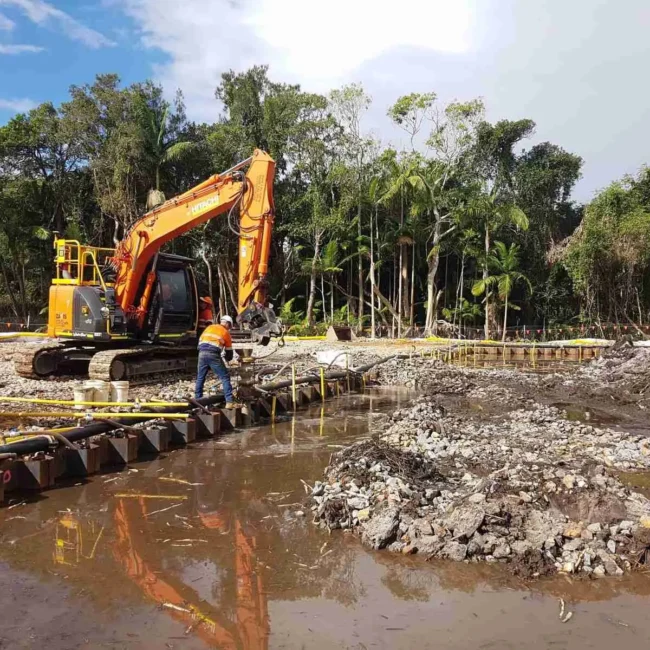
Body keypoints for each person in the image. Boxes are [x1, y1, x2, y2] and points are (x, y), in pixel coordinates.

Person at [195, 315, 242, 407]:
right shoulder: (225, 332)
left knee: (200, 377)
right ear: (227, 324)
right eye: (230, 326)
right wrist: (228, 360)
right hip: (213, 354)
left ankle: (197, 400)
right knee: (225, 377)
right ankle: (229, 401)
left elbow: (201, 341)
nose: (229, 329)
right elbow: (229, 352)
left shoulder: (209, 327)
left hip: (201, 353)